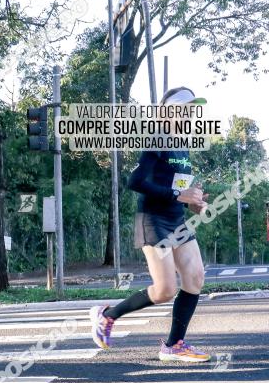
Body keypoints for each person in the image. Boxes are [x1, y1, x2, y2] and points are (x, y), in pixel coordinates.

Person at [90, 86, 212, 362]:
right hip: (153, 221)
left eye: (192, 109)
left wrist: (191, 201)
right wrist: (176, 195)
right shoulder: (157, 138)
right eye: (185, 108)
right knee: (164, 290)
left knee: (195, 278)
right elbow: (136, 182)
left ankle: (174, 345)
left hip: (176, 218)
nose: (190, 114)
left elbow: (174, 186)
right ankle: (107, 315)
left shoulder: (181, 144)